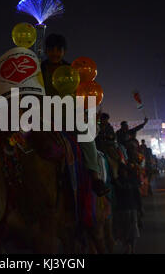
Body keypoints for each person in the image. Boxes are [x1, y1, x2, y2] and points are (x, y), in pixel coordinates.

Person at [41, 33, 109, 197]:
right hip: (43, 116)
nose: (55, 53)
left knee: (86, 136)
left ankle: (95, 176)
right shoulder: (39, 70)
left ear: (64, 52)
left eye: (59, 50)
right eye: (51, 50)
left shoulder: (72, 70)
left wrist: (84, 113)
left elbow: (81, 93)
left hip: (69, 114)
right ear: (46, 51)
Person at [112, 164, 143, 254]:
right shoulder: (117, 181)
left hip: (129, 208)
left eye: (124, 170)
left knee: (130, 230)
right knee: (125, 230)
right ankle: (128, 247)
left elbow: (137, 195)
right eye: (121, 170)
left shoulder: (128, 181)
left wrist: (140, 208)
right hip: (123, 209)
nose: (123, 172)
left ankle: (130, 248)